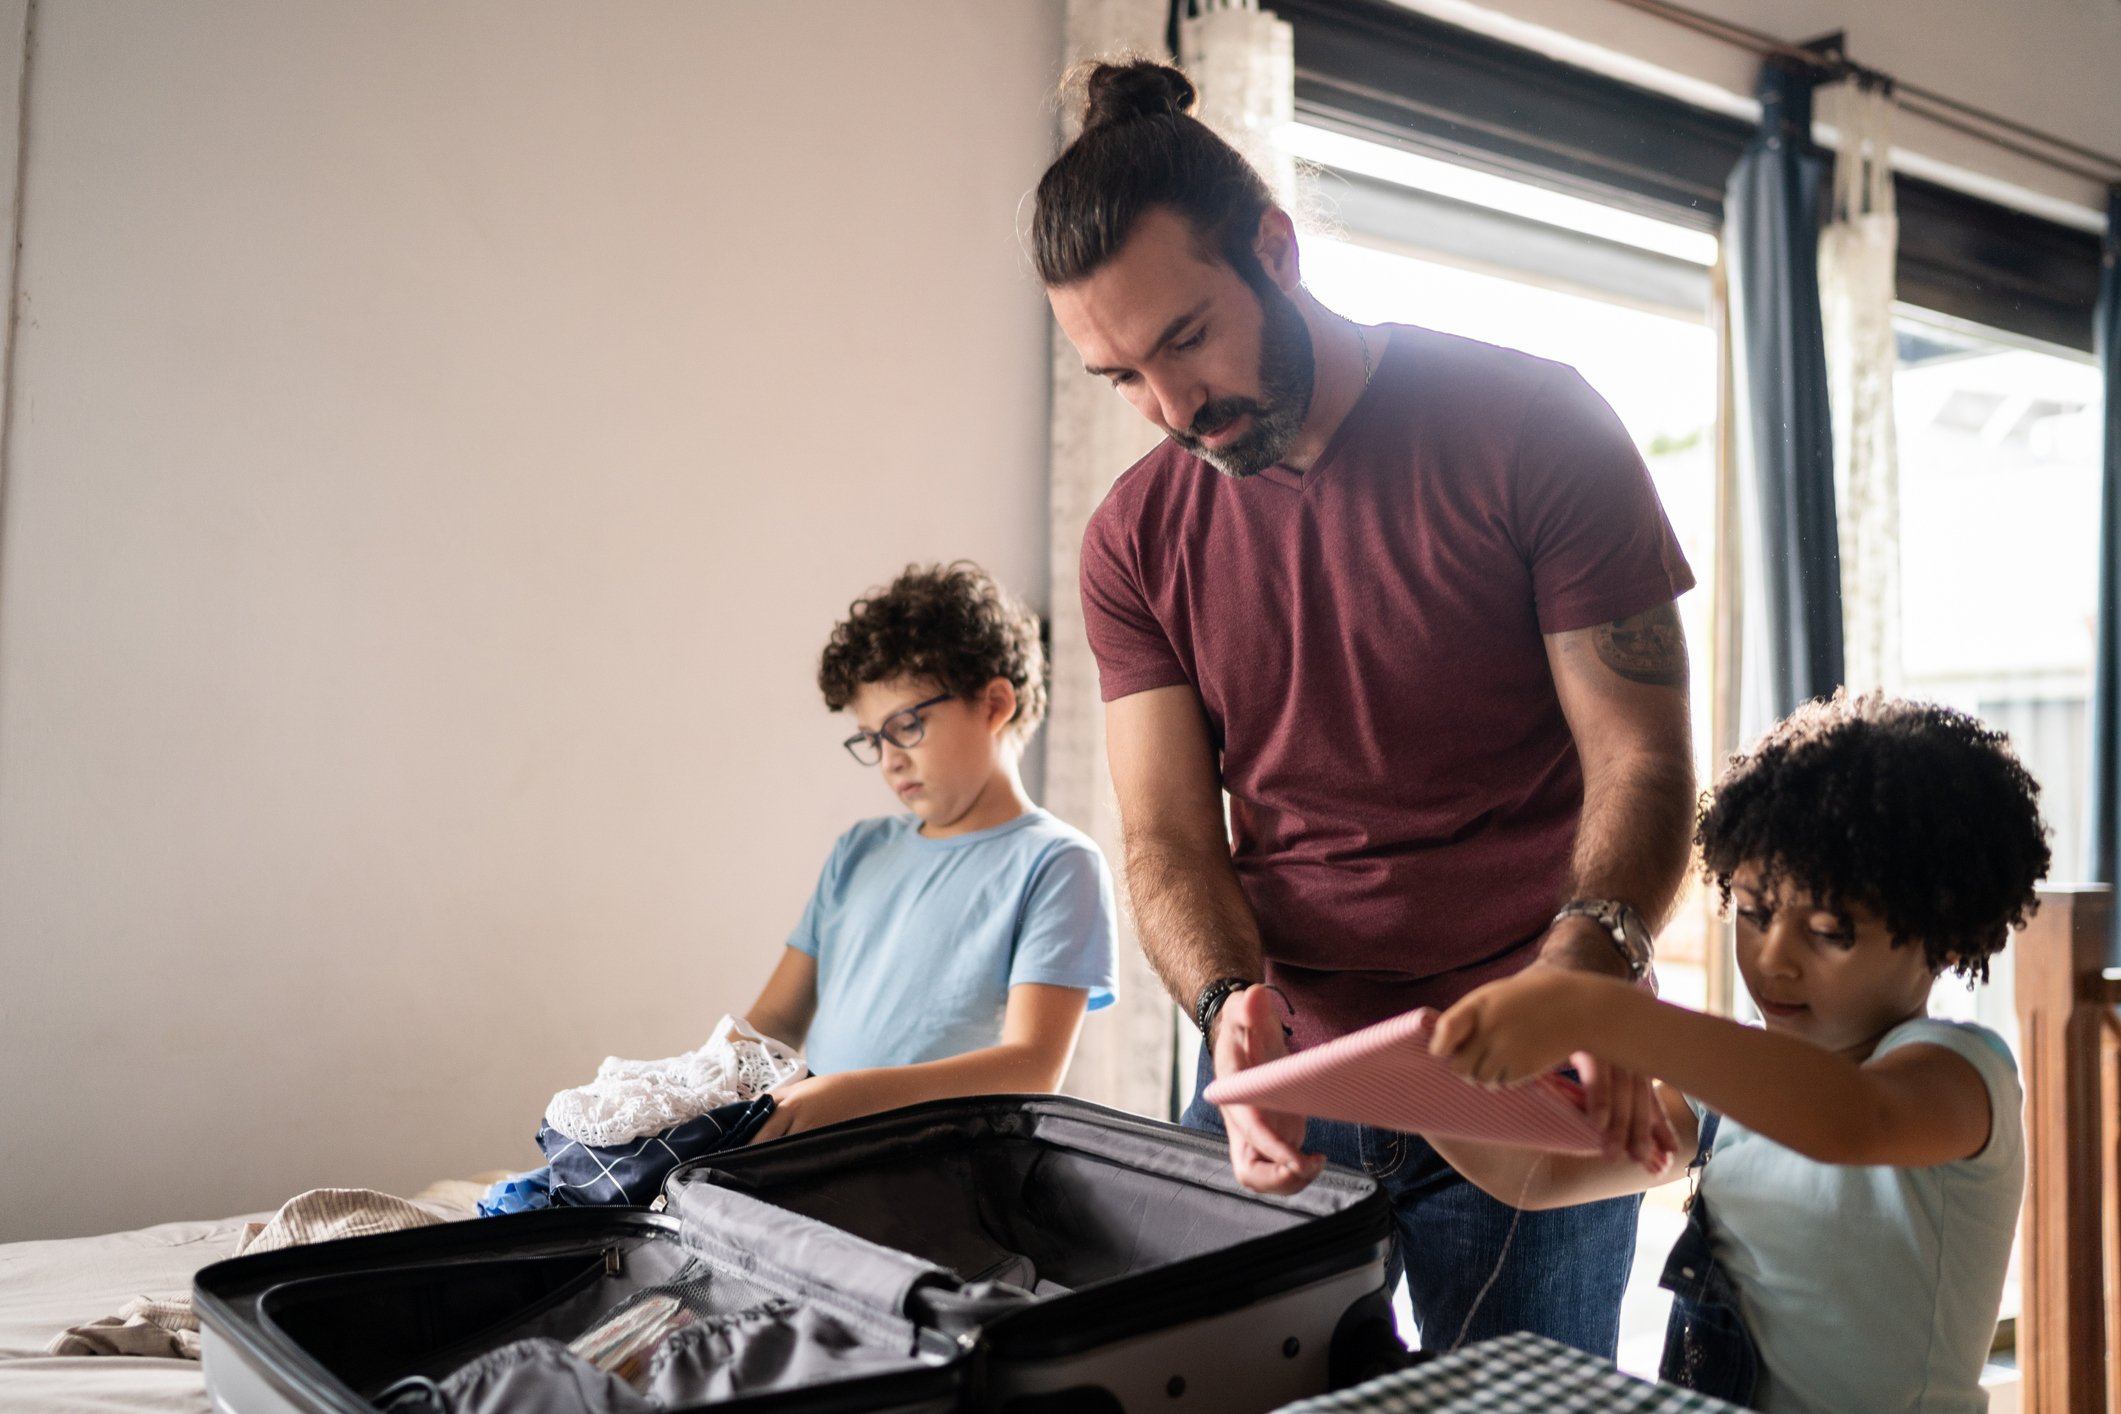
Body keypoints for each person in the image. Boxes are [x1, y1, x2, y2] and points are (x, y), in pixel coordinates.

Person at [1033, 58, 1696, 1354]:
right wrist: (1227, 998)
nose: (1174, 411)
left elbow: (1644, 761)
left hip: (1532, 1049)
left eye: (1185, 338)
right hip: (1294, 1063)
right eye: (1120, 378)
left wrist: (1590, 969)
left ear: (1274, 249)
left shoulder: (1535, 425)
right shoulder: (1133, 537)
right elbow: (1168, 836)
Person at [1427, 692, 2048, 1411]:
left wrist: (1598, 1010)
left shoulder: (1957, 1075)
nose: (1773, 959)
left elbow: (1849, 1121)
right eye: (1752, 916)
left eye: (1826, 931)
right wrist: (1416, 1084)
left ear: (1941, 935)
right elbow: (1538, 1177)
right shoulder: (1726, 1093)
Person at [742, 562, 1119, 1143]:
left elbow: (1032, 1067)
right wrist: (687, 1091)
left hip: (946, 1171)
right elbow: (773, 1021)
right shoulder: (859, 851)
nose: (889, 758)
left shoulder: (1057, 863)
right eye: (872, 739)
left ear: (994, 704)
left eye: (907, 726)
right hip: (818, 1157)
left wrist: (849, 1095)